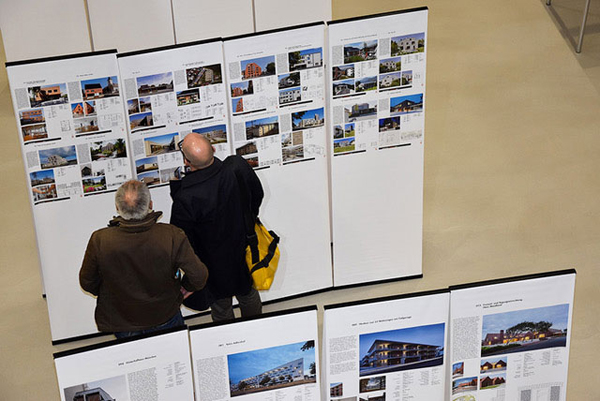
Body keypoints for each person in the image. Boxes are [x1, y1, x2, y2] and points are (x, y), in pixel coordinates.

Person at [79, 179, 208, 338]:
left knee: (134, 361)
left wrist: (112, 293)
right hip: (165, 314)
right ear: (150, 205)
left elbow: (87, 282)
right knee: (172, 360)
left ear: (118, 208)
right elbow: (199, 275)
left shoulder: (100, 239)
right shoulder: (171, 235)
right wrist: (183, 289)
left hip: (123, 320)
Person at [170, 133, 264, 321]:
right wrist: (248, 220)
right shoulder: (236, 167)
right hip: (242, 246)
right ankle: (256, 330)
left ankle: (228, 343)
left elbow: (180, 237)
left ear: (187, 162)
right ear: (213, 149)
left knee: (220, 304)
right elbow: (257, 194)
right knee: (248, 292)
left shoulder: (185, 197)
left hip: (210, 261)